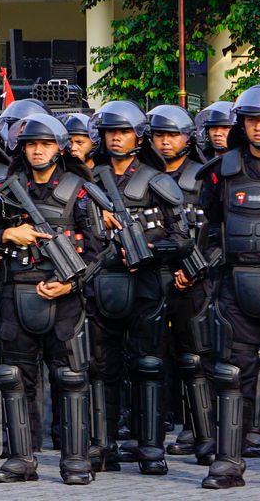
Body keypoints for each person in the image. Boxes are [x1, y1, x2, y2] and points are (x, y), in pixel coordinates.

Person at [0, 113, 102, 486]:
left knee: (71, 378)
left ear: (59, 148)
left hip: (64, 297)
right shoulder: (5, 191)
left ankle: (75, 460)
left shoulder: (79, 190)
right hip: (16, 293)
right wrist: (6, 236)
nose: (38, 150)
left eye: (45, 144)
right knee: (13, 378)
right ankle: (20, 459)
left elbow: (100, 251)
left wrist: (71, 285)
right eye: (31, 144)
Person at [85, 99, 185, 476]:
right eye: (111, 132)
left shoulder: (156, 180)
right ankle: (104, 445)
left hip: (144, 284)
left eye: (124, 132)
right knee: (101, 368)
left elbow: (183, 239)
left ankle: (150, 447)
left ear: (138, 136)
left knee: (148, 365)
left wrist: (148, 248)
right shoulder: (88, 180)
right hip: (100, 283)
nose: (116, 138)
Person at [192, 84, 260, 489]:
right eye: (251, 120)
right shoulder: (221, 169)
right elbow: (212, 222)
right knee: (230, 373)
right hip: (236, 285)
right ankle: (228, 462)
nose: (258, 127)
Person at [148, 105, 211, 458]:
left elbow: (211, 231)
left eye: (172, 135)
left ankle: (199, 431)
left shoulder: (202, 176)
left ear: (188, 138)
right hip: (152, 275)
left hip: (194, 279)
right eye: (159, 135)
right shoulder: (146, 176)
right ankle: (154, 434)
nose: (166, 142)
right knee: (154, 358)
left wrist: (194, 270)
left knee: (195, 357)